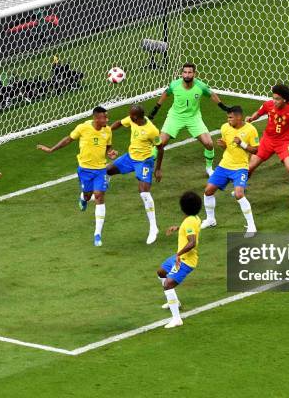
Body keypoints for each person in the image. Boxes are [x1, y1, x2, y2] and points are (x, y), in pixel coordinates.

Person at [37, 106, 118, 246]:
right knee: (87, 195)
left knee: (99, 196)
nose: (107, 119)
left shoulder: (108, 130)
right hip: (85, 170)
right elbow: (68, 139)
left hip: (100, 170)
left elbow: (107, 147)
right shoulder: (83, 128)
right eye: (105, 117)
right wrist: (51, 149)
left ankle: (97, 234)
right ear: (96, 118)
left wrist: (110, 153)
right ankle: (83, 198)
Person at [149, 62, 231, 176]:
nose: (187, 75)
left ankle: (209, 168)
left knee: (209, 143)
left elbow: (212, 94)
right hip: (175, 117)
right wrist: (155, 110)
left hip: (194, 118)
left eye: (189, 72)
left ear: (194, 74)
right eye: (185, 72)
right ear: (182, 73)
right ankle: (148, 164)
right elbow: (165, 94)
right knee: (160, 143)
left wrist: (224, 107)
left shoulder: (200, 86)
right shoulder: (175, 85)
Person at [108, 105, 164, 244]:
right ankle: (101, 188)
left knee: (144, 192)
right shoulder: (131, 120)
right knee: (107, 170)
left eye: (131, 115)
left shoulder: (152, 130)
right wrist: (106, 131)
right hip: (130, 158)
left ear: (136, 117)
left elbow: (160, 148)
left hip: (144, 162)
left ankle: (153, 227)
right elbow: (118, 123)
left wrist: (158, 169)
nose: (129, 117)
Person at [200, 106, 259, 237]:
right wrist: (223, 146)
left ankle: (251, 225)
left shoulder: (251, 130)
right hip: (224, 165)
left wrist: (242, 144)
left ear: (239, 117)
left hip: (240, 167)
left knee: (239, 194)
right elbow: (228, 147)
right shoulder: (225, 127)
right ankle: (211, 219)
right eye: (227, 117)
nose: (228, 120)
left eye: (230, 117)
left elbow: (256, 150)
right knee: (208, 191)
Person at [245, 84, 289, 193]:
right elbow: (258, 113)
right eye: (273, 98)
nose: (274, 101)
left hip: (284, 142)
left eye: (277, 99)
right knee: (250, 167)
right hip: (267, 141)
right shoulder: (268, 105)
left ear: (285, 100)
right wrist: (252, 118)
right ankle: (241, 188)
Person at [156, 191, 202, 329]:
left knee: (168, 285)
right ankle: (174, 301)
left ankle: (177, 319)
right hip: (180, 257)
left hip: (185, 260)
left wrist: (178, 254)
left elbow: (192, 242)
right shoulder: (195, 218)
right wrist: (178, 227)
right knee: (161, 272)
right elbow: (190, 228)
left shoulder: (188, 222)